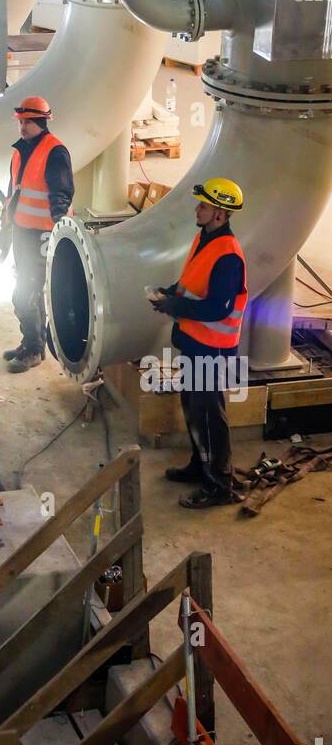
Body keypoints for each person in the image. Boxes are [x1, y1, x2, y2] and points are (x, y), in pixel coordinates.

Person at [148, 176, 248, 509]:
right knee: (192, 406)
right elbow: (193, 281)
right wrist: (170, 292)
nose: (197, 208)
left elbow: (217, 307)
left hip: (211, 349)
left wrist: (175, 306)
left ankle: (219, 484)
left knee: (208, 413)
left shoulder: (228, 255)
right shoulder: (204, 238)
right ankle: (199, 465)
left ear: (220, 213)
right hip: (194, 343)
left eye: (203, 205)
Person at [0, 96, 75, 373]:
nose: (23, 127)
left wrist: (60, 231)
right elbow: (14, 192)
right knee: (28, 290)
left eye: (28, 122)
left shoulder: (55, 151)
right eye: (21, 121)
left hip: (43, 234)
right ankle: (32, 344)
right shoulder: (20, 150)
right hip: (22, 230)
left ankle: (33, 350)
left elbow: (62, 194)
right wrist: (6, 226)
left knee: (26, 293)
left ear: (41, 122)